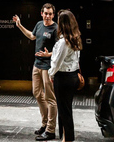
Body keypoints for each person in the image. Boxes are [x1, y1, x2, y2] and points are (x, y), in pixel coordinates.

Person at [13, 3, 57, 141]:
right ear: (41, 13)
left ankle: (50, 130)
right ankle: (44, 124)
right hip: (36, 65)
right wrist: (19, 25)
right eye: (46, 13)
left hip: (48, 67)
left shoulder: (55, 28)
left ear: (53, 15)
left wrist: (48, 55)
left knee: (50, 98)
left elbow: (59, 50)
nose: (48, 16)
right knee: (37, 93)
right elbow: (32, 36)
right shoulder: (39, 24)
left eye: (50, 14)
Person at [47, 10, 83, 142]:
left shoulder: (64, 42)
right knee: (65, 109)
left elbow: (57, 62)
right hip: (72, 76)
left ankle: (67, 139)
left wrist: (51, 74)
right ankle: (64, 137)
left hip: (63, 77)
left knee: (64, 111)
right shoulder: (75, 38)